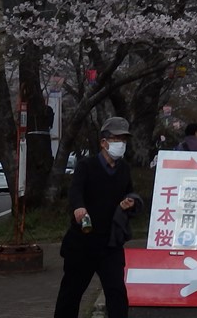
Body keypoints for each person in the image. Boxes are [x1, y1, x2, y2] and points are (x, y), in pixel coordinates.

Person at [54, 116, 143, 318]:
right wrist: (79, 208)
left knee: (117, 293)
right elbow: (75, 191)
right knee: (71, 294)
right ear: (104, 142)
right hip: (83, 242)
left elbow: (130, 192)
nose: (121, 144)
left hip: (110, 243)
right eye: (117, 139)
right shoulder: (87, 166)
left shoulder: (124, 169)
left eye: (124, 140)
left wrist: (130, 202)